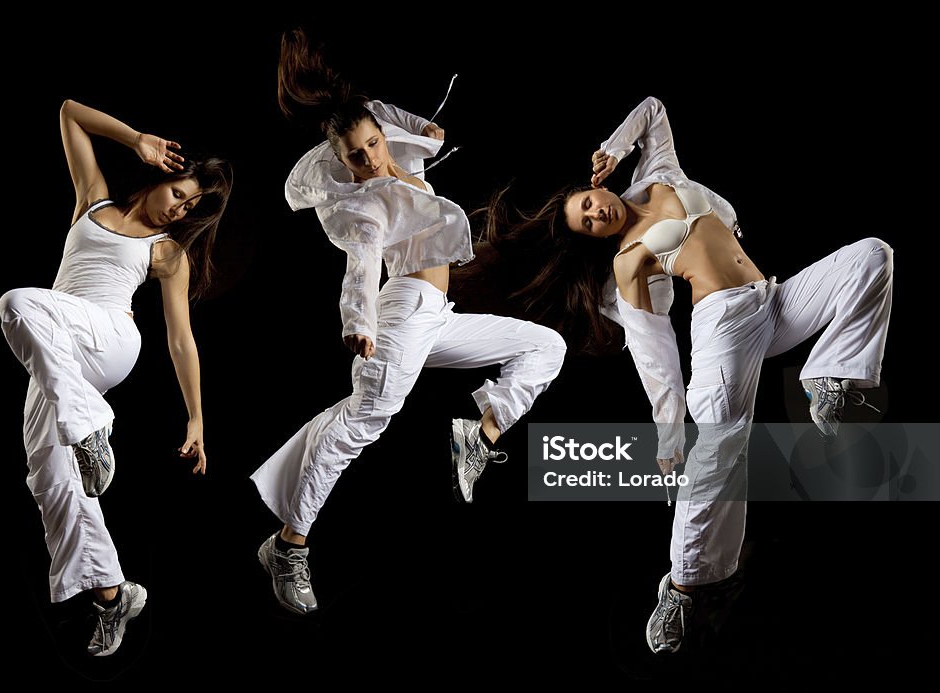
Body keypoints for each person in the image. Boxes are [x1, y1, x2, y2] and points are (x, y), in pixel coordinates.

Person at [474, 96, 893, 654]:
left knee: (871, 255)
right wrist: (670, 428)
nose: (598, 213)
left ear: (595, 187)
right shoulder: (629, 263)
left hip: (772, 298)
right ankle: (685, 585)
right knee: (718, 444)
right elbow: (655, 355)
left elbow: (654, 109)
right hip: (725, 327)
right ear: (594, 238)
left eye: (589, 203)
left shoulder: (659, 175)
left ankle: (828, 380)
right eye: (589, 223)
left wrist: (615, 146)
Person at [251, 29, 566, 616]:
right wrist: (359, 320)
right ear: (341, 161)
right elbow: (363, 259)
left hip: (436, 318)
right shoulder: (364, 202)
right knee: (361, 422)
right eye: (357, 155)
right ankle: (289, 546)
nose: (371, 159)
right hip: (399, 314)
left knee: (546, 346)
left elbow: (414, 128)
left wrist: (424, 132)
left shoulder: (395, 150)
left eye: (373, 144)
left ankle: (481, 436)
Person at [0, 100, 232, 656]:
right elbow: (69, 113)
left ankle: (91, 426)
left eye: (191, 206)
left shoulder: (168, 252)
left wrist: (197, 415)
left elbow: (181, 341)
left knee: (17, 303)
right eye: (180, 193)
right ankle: (111, 593)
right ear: (161, 174)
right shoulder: (91, 201)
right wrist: (136, 139)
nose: (180, 209)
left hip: (109, 340)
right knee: (48, 476)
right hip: (62, 357)